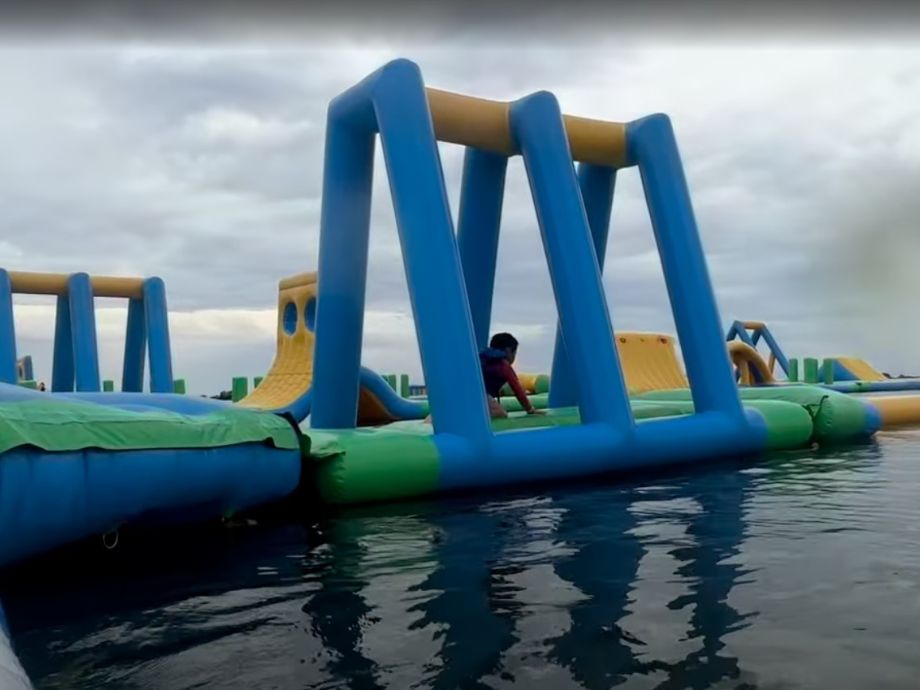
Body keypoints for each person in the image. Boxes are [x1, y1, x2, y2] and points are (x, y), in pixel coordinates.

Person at [480, 332, 544, 419]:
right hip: (480, 395)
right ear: (508, 351)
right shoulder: (503, 365)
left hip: (472, 392)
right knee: (501, 414)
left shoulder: (483, 359)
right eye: (515, 353)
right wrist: (530, 409)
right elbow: (517, 388)